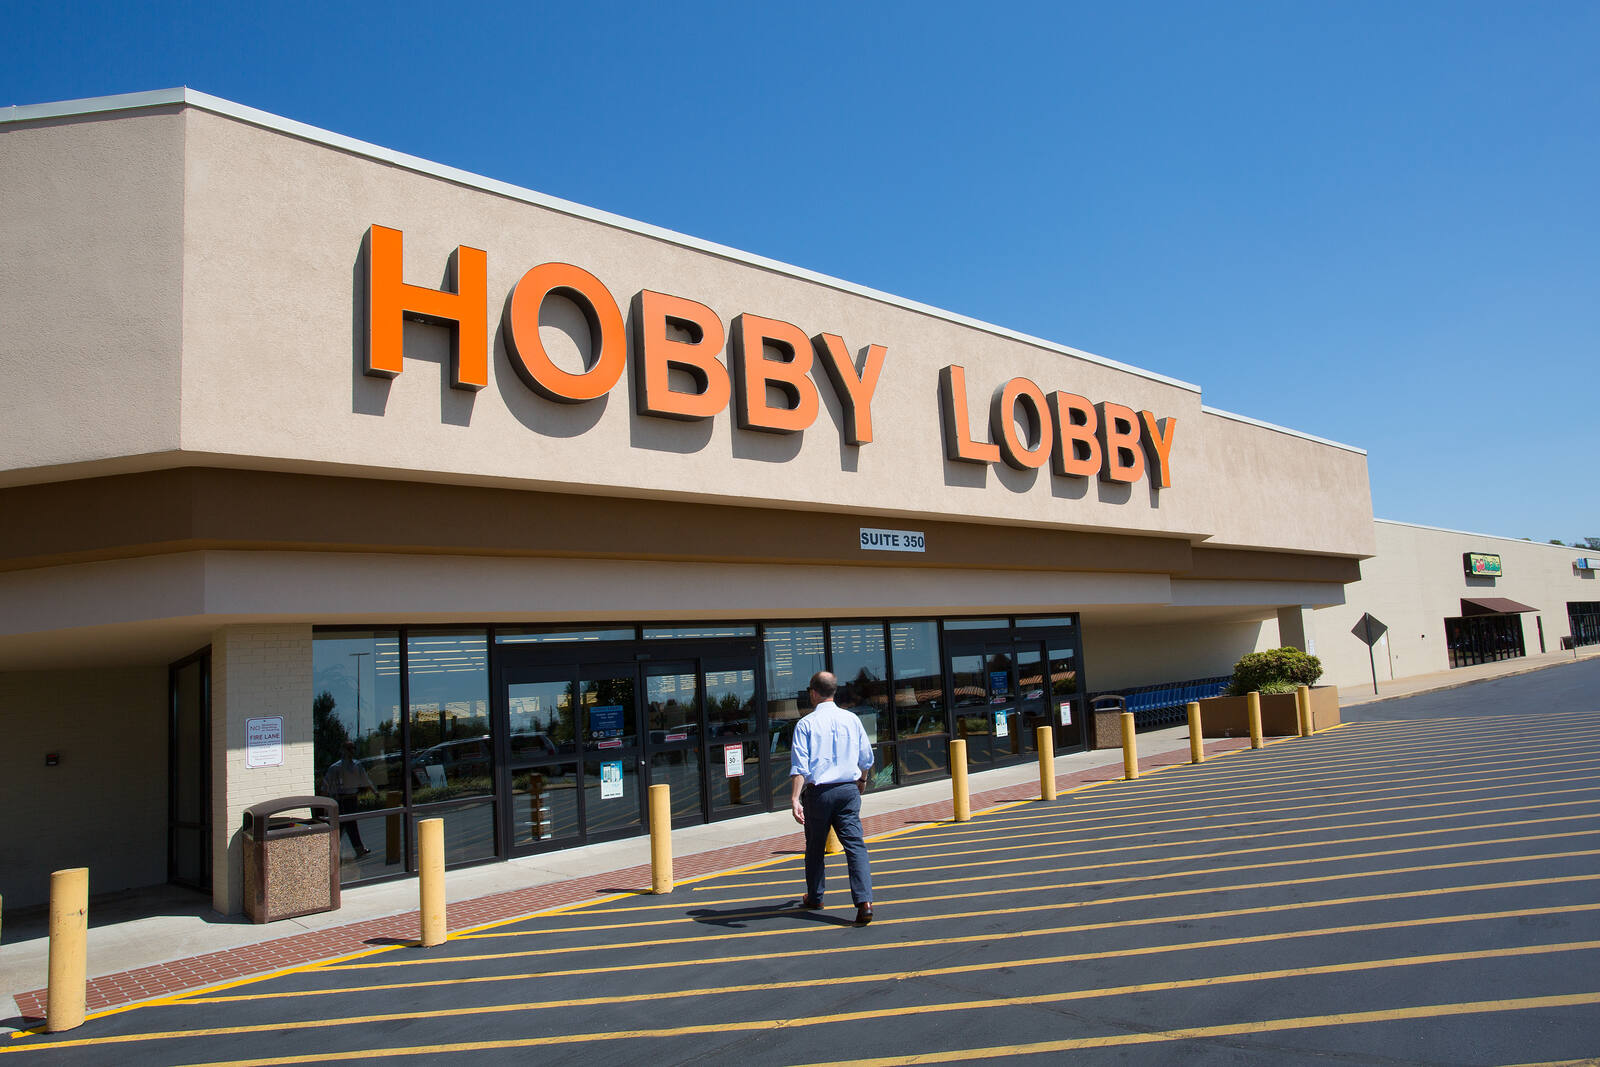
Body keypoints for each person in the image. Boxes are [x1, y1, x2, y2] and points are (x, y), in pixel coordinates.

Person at [789, 670, 875, 925]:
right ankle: (864, 902)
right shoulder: (852, 719)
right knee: (855, 845)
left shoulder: (805, 724)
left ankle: (816, 897)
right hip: (848, 790)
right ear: (834, 692)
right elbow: (866, 758)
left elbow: (800, 767)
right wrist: (862, 781)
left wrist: (795, 799)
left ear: (813, 693)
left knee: (815, 847)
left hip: (819, 794)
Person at [321, 741, 375, 857]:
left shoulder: (357, 765)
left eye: (353, 748)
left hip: (352, 798)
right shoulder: (335, 767)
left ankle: (352, 849)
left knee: (350, 824)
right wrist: (325, 804)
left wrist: (374, 792)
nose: (352, 751)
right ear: (343, 750)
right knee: (343, 825)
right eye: (349, 749)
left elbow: (365, 780)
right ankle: (333, 851)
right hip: (341, 800)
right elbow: (326, 786)